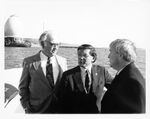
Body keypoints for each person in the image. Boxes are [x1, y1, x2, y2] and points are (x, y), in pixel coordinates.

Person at [18, 30, 67, 113]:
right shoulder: (29, 62)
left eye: (57, 44)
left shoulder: (63, 61)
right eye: (52, 44)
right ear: (43, 43)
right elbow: (23, 88)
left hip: (59, 110)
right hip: (37, 110)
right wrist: (26, 107)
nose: (56, 47)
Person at [57, 44, 112, 113]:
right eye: (79, 55)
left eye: (85, 56)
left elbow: (114, 88)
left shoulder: (102, 71)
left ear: (93, 58)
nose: (81, 58)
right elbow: (61, 99)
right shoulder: (68, 75)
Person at [101, 39, 145, 113]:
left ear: (120, 55)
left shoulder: (132, 81)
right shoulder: (125, 73)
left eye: (110, 51)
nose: (108, 56)